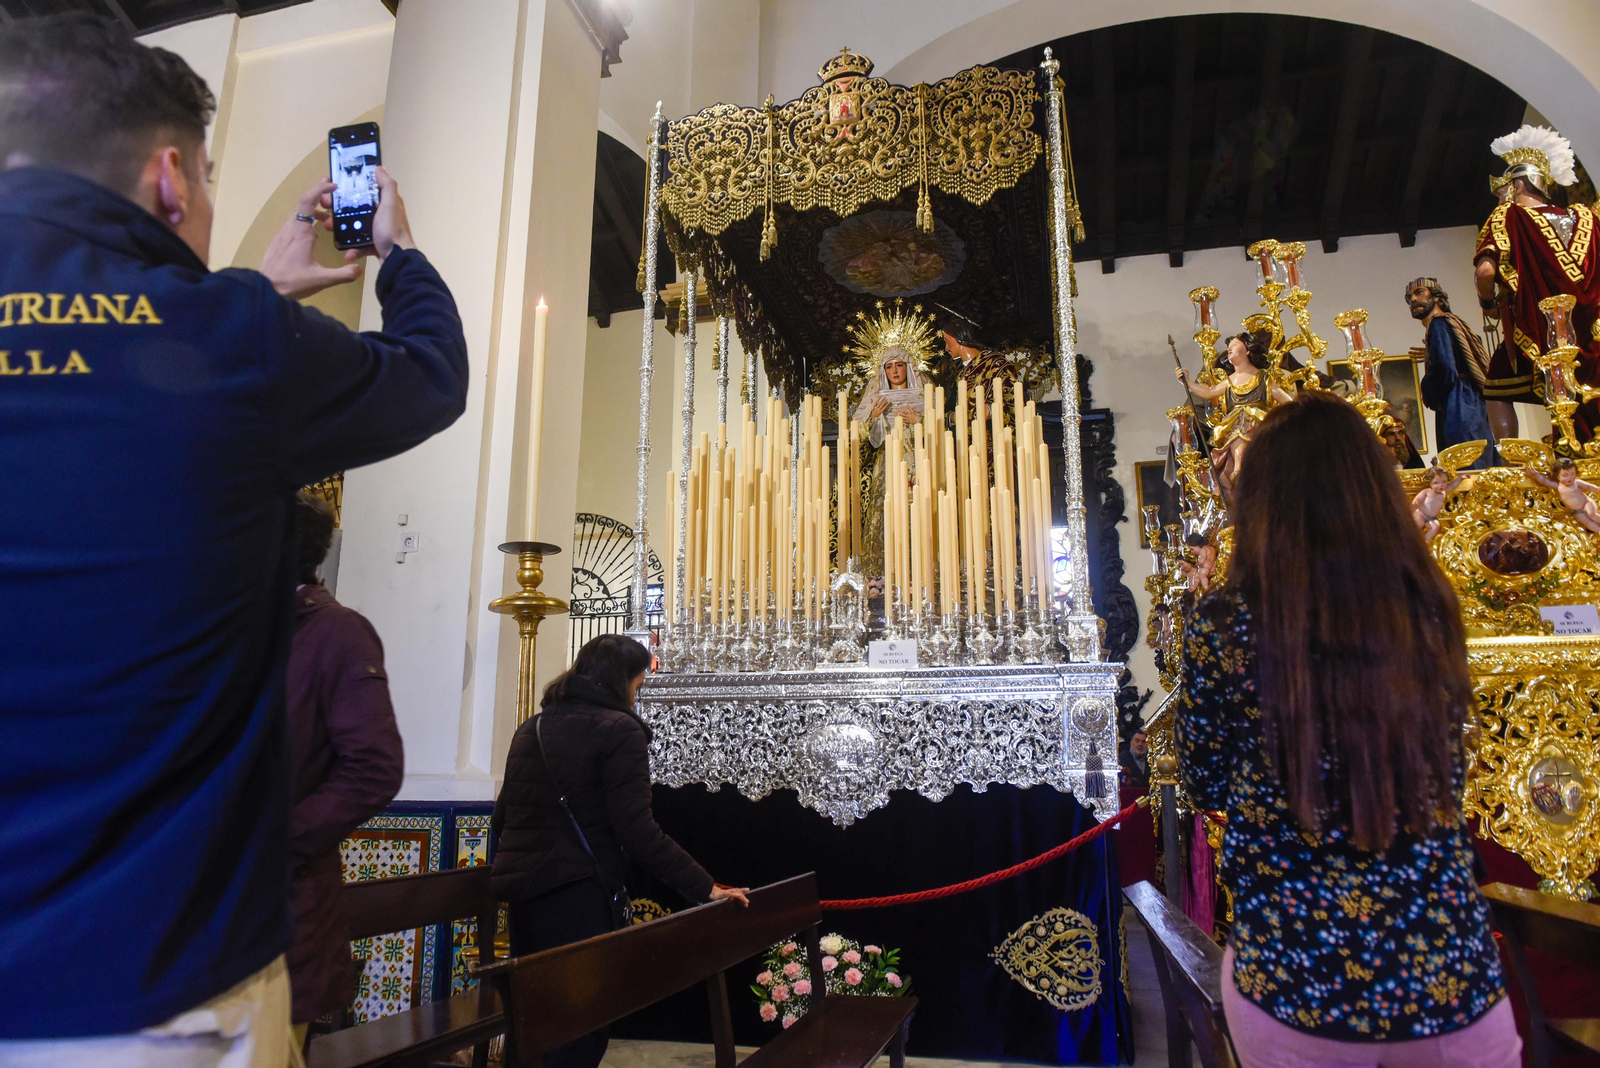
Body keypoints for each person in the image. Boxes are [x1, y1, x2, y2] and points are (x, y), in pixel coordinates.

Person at [0, 16, 467, 1064]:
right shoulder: (227, 341)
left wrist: (245, 296)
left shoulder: (227, 328)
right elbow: (430, 375)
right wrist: (399, 253)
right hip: (144, 983)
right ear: (171, 178)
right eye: (209, 180)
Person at [1177, 392, 1519, 1067]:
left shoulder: (1224, 623)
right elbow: (1451, 768)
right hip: (1444, 975)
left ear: (1263, 501)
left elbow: (1205, 777)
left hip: (1297, 975)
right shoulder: (1426, 605)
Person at [491, 635, 750, 1068]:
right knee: (580, 1028)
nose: (638, 692)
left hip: (521, 895)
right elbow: (638, 832)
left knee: (533, 1023)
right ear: (623, 680)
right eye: (639, 683)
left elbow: (501, 820)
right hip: (576, 894)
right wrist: (705, 888)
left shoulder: (532, 727)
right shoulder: (619, 729)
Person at [285, 492, 404, 1053]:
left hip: (282, 907)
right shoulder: (224, 631)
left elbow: (375, 769)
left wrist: (269, 841)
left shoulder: (336, 632)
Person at [1475, 124, 1598, 440]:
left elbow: (1485, 273)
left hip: (1542, 328)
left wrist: (1488, 303)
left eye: (1502, 190)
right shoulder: (1587, 218)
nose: (1500, 197)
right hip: (1594, 332)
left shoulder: (1508, 216)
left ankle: (1514, 464)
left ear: (1517, 185)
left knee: (1496, 386)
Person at [1175, 329, 1293, 503]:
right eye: (1228, 348)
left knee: (1246, 431)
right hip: (1235, 425)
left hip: (1259, 426)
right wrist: (1188, 381)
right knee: (1239, 434)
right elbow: (1209, 392)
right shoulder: (1230, 381)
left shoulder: (1262, 378)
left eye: (1234, 346)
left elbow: (1286, 399)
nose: (1229, 350)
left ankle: (1243, 472)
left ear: (1247, 350)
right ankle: (1239, 472)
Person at [1405, 277, 1496, 467]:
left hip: (1459, 404)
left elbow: (1445, 368)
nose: (1412, 299)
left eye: (1419, 292)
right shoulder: (1453, 323)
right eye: (1409, 297)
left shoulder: (1438, 324)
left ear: (1436, 297)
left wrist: (1429, 393)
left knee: (1462, 463)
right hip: (1473, 402)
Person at [1525, 457, 1600, 534]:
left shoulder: (1577, 483)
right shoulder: (1558, 487)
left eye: (1572, 474)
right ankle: (1598, 530)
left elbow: (1589, 487)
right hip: (1576, 510)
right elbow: (1545, 481)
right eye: (1565, 475)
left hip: (1586, 503)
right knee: (1586, 522)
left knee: (1591, 514)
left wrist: (1597, 489)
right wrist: (1535, 475)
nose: (1570, 477)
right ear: (1557, 476)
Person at [1412, 463, 1464, 542]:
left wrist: (1461, 478)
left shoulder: (1444, 492)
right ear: (1430, 483)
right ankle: (1411, 536)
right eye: (1436, 483)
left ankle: (1425, 540)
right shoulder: (1427, 491)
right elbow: (1418, 499)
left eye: (1444, 482)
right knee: (1418, 524)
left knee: (1435, 527)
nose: (1441, 485)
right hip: (1421, 513)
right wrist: (1415, 504)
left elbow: (1453, 485)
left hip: (1431, 518)